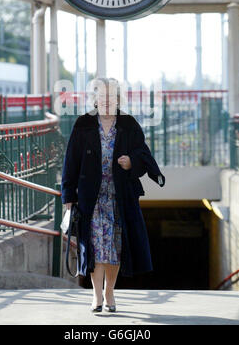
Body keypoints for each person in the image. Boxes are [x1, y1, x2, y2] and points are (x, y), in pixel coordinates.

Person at [61, 77, 165, 313]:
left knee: (115, 247)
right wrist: (68, 196)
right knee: (97, 247)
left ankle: (110, 291)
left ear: (118, 100)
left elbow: (143, 153)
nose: (107, 101)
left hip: (120, 197)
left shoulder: (128, 124)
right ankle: (97, 296)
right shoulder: (83, 124)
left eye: (111, 97)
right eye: (102, 97)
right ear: (95, 100)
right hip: (91, 198)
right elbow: (71, 162)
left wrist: (131, 163)